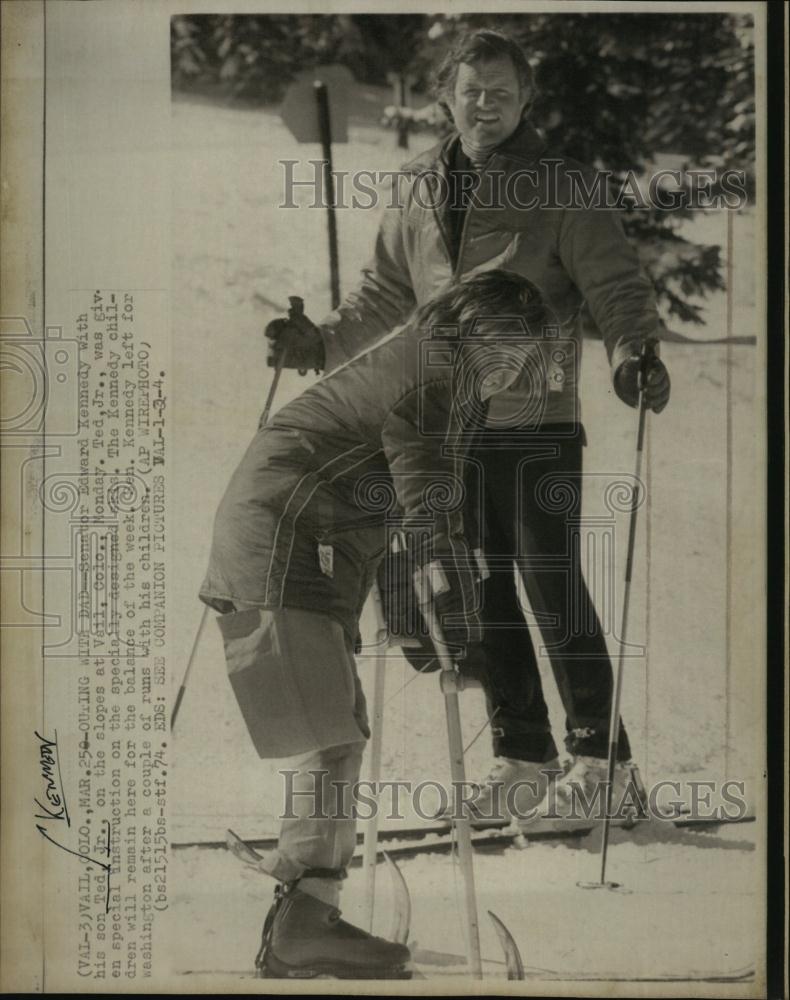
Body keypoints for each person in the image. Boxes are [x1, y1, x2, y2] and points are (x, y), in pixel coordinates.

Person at [266, 29, 670, 829]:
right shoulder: (419, 183)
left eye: (502, 93)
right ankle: (525, 758)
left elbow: (616, 288)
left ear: (526, 100)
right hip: (442, 421)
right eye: (471, 91)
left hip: (534, 415)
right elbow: (386, 289)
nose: (485, 105)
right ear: (446, 95)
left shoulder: (564, 186)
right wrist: (323, 342)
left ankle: (605, 762)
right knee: (480, 589)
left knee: (552, 587)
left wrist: (633, 354)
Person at [200, 270, 552, 979]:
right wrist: (449, 599)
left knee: (337, 739)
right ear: (471, 324)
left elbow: (405, 505)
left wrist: (427, 616)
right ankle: (304, 923)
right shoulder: (434, 376)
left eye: (525, 353)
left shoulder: (437, 368)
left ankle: (306, 918)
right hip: (282, 543)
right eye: (505, 343)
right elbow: (426, 504)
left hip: (306, 548)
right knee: (331, 742)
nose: (512, 364)